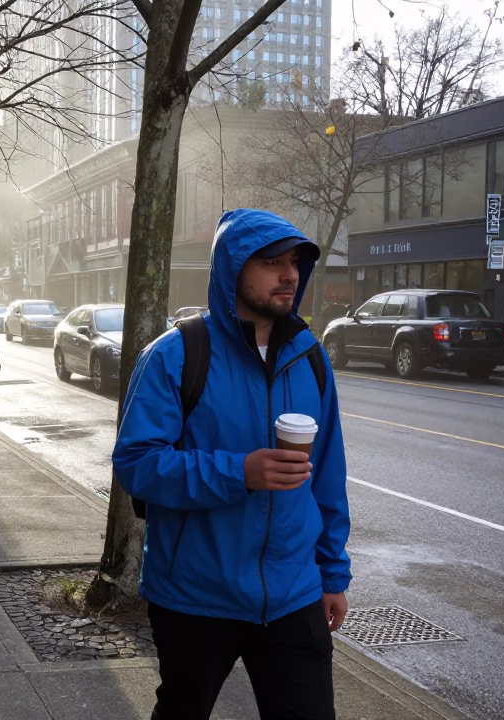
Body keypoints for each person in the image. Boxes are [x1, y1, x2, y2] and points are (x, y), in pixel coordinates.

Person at [113, 209, 350, 720]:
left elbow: (327, 475)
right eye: (271, 263)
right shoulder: (176, 355)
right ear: (232, 268)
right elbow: (136, 463)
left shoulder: (310, 357)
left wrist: (332, 574)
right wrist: (238, 472)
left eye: (294, 263)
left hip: (294, 592)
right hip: (195, 594)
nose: (289, 274)